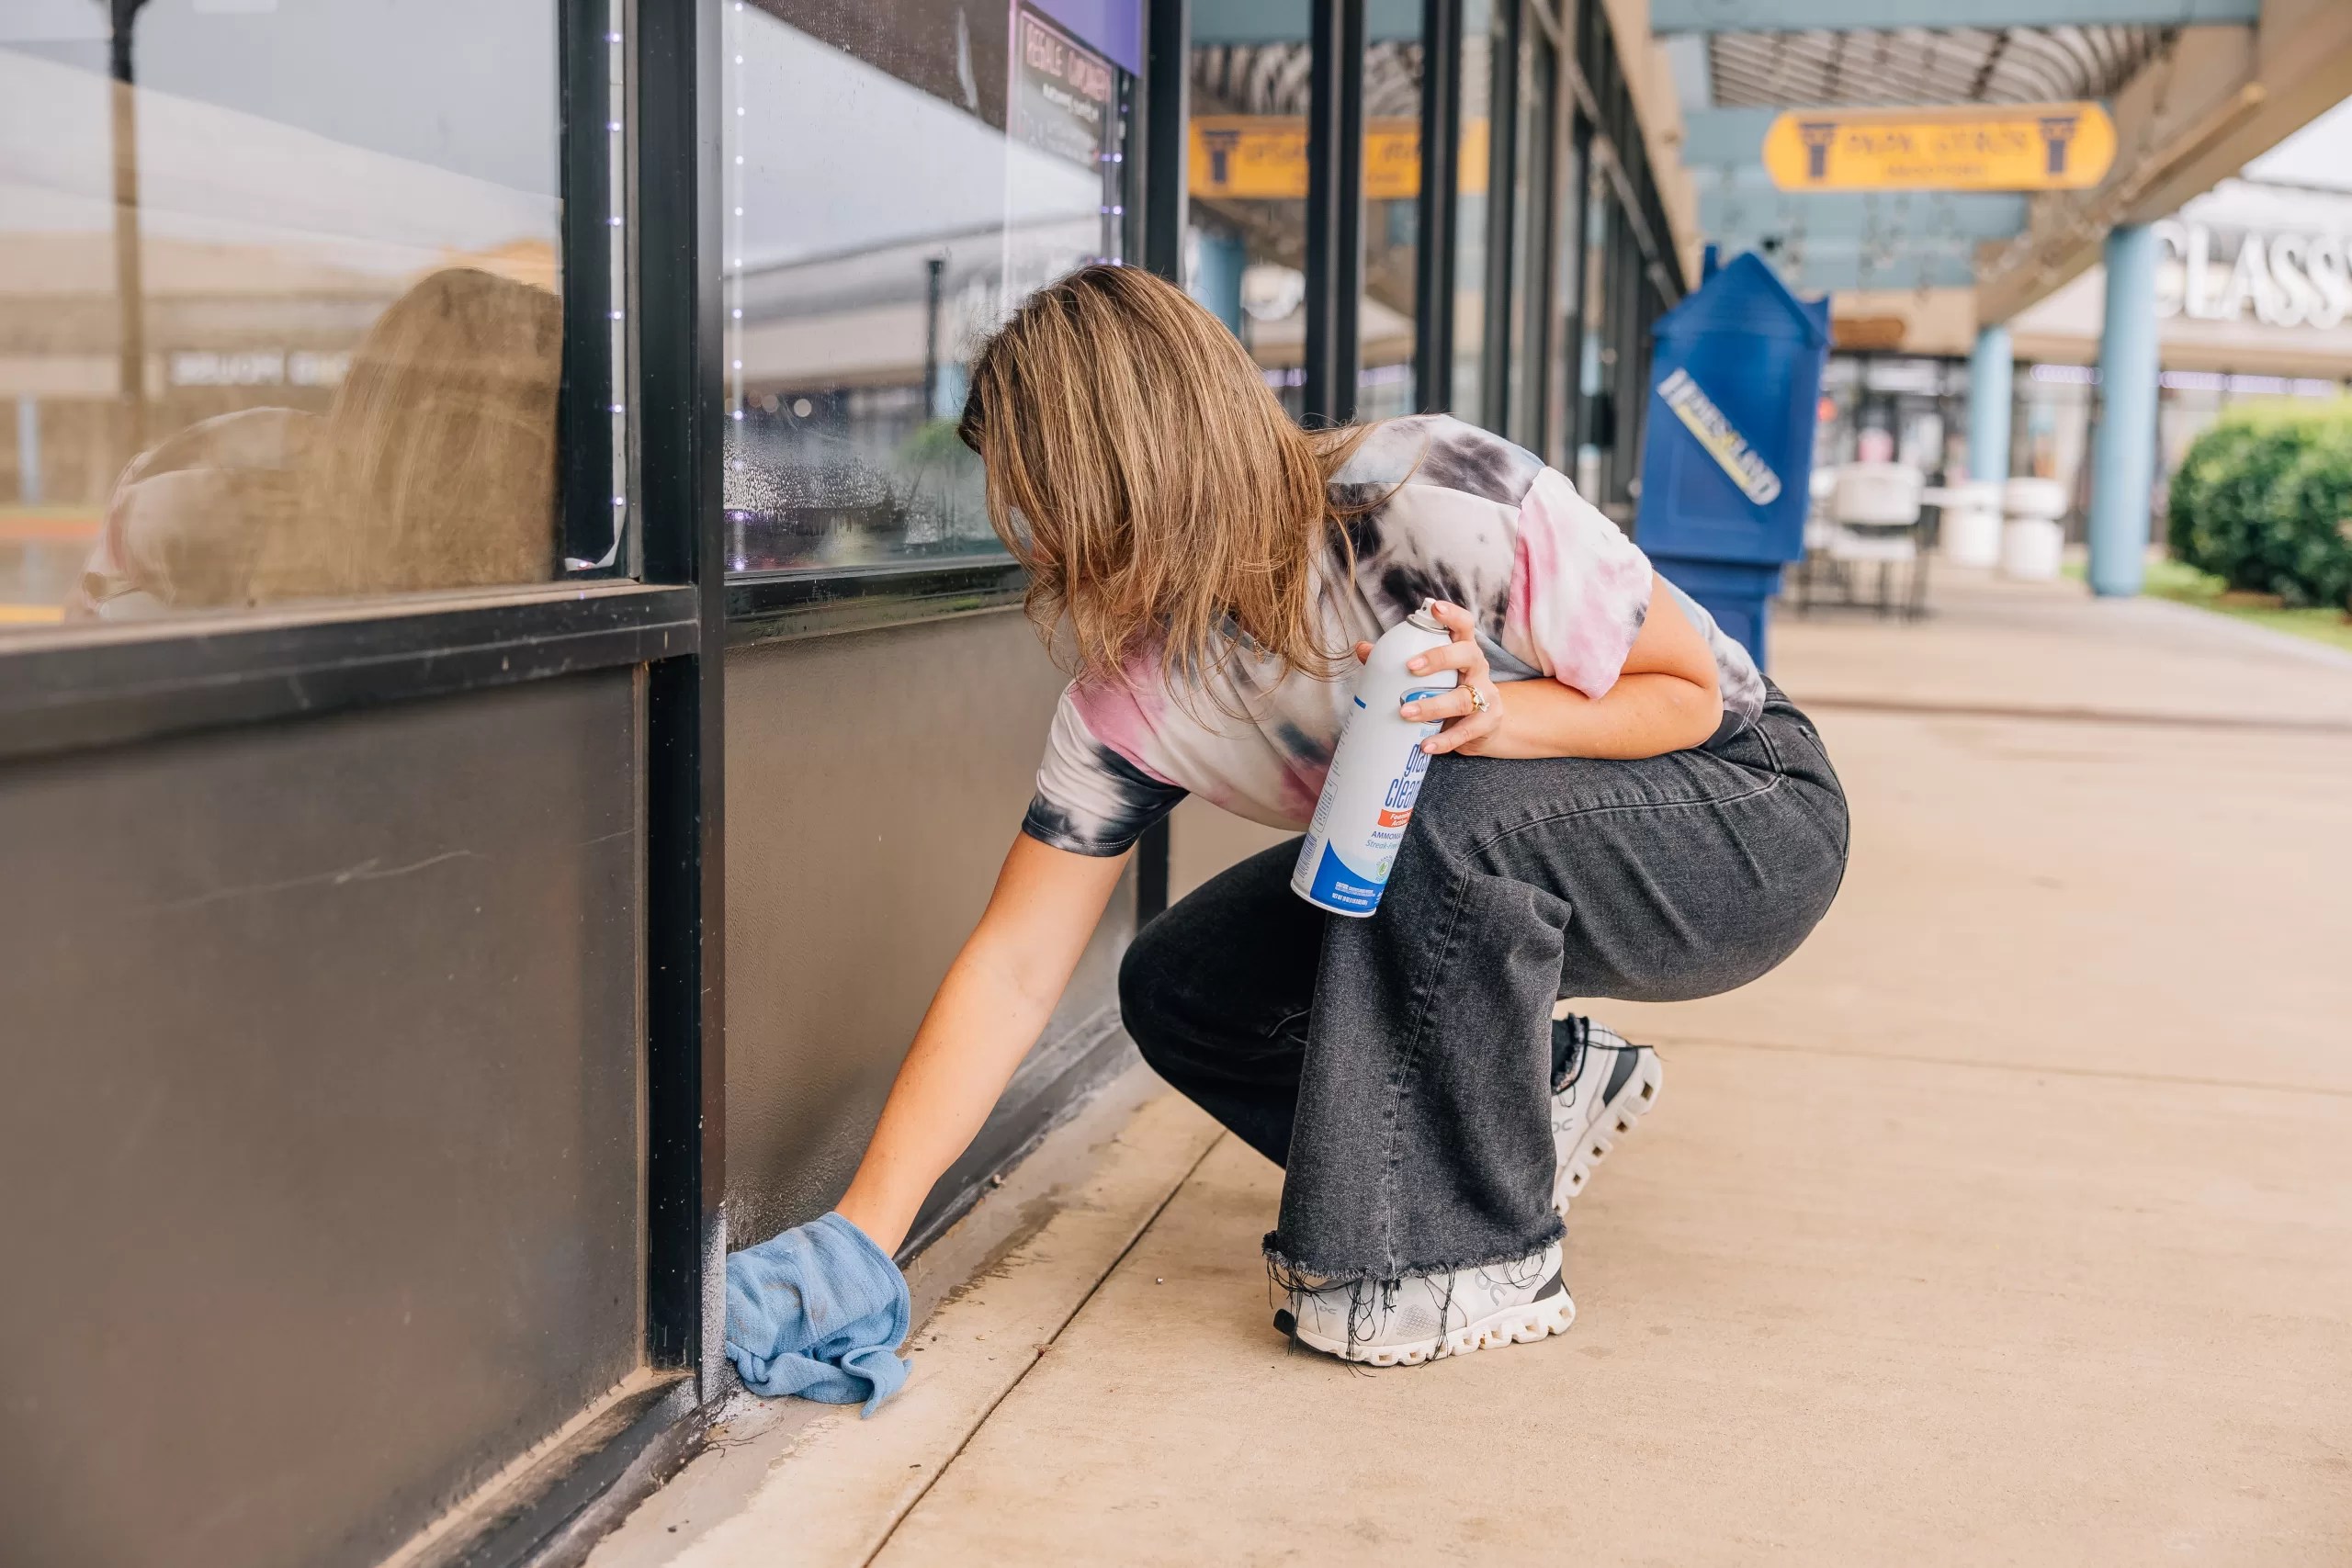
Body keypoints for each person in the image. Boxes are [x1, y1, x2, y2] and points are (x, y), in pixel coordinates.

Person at [820, 263, 1848, 1369]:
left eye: (1041, 496)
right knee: (1184, 985)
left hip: (1742, 814)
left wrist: (1495, 715)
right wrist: (859, 1239)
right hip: (1476, 839)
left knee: (1427, 792)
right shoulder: (1128, 701)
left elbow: (1689, 697)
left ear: (1125, 464)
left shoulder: (1427, 495)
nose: (1034, 537)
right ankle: (1544, 1085)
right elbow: (1015, 967)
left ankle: (1477, 1261)